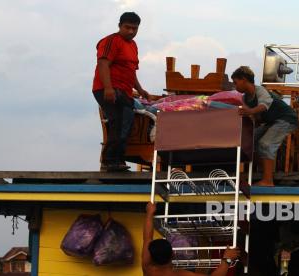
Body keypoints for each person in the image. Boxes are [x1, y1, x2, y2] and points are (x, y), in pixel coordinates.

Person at [92, 12, 151, 172]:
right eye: (127, 27)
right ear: (120, 26)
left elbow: (131, 70)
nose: (131, 31)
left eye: (135, 28)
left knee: (127, 122)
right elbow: (103, 65)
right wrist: (108, 88)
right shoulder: (111, 41)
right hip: (107, 89)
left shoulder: (133, 46)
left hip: (125, 91)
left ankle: (118, 160)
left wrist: (139, 89)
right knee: (116, 121)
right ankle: (108, 161)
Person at [231, 66, 298, 186]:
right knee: (249, 141)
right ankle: (265, 171)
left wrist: (249, 112)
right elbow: (257, 118)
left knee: (266, 144)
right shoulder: (245, 98)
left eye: (236, 82)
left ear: (244, 80)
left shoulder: (260, 90)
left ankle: (268, 180)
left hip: (286, 119)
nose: (234, 86)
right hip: (271, 122)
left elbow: (264, 106)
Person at [142, 202, 240, 276]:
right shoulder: (178, 274)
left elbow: (147, 237)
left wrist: (149, 214)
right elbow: (147, 238)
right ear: (173, 254)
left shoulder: (148, 269)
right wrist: (227, 260)